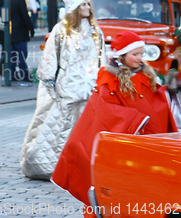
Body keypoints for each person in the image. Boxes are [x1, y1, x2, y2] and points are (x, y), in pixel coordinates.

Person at [52, 31, 178, 214]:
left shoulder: (146, 76)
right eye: (135, 54)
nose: (140, 58)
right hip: (122, 142)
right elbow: (104, 110)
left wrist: (167, 92)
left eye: (141, 54)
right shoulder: (109, 79)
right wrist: (135, 119)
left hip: (143, 140)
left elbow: (156, 104)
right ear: (122, 55)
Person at [19, 0, 105, 180]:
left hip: (89, 85)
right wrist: (48, 80)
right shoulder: (62, 30)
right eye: (83, 4)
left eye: (88, 4)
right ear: (75, 8)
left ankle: (83, 166)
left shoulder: (96, 31)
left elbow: (102, 56)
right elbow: (50, 56)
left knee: (86, 126)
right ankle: (56, 165)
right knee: (61, 126)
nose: (87, 7)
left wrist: (102, 79)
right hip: (67, 85)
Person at [9, 0, 34, 84]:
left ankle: (12, 74)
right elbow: (25, 16)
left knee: (12, 55)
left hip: (10, 32)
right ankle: (25, 75)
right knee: (22, 55)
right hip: (21, 32)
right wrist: (31, 29)